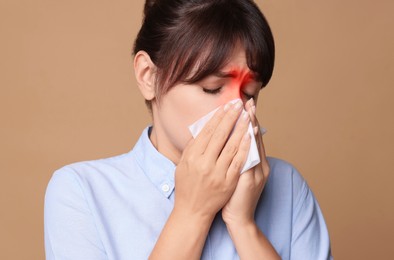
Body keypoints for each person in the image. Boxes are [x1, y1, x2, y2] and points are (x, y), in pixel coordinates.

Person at [44, 0, 332, 259]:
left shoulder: (288, 187)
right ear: (148, 77)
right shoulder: (80, 192)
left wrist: (243, 225)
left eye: (249, 94)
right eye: (212, 88)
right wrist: (192, 213)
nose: (236, 109)